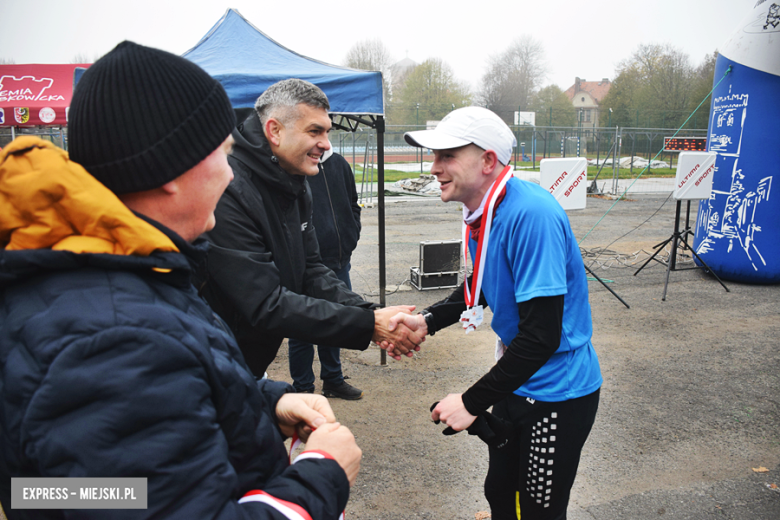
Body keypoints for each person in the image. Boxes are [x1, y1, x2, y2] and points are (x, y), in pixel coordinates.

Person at [0, 41, 360, 519]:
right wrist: (322, 473)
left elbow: (58, 490)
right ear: (174, 170)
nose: (230, 178)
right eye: (223, 156)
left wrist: (261, 402)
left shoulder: (103, 276)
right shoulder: (117, 338)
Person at [387, 107, 602, 519]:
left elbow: (542, 335)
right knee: (500, 493)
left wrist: (470, 402)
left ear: (488, 160)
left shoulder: (530, 214)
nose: (434, 168)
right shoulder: (485, 210)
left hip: (558, 392)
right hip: (518, 380)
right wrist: (428, 320)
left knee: (536, 510)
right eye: (434, 156)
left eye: (447, 155)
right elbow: (485, 281)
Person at [199, 78, 423, 379]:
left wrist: (369, 313)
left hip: (247, 366)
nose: (326, 144)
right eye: (314, 131)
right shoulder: (228, 189)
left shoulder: (294, 182)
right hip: (213, 367)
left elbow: (310, 272)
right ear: (274, 131)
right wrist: (369, 325)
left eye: (326, 131)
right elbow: (265, 303)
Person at [287, 148, 364, 399]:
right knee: (302, 328)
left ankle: (333, 379)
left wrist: (351, 234)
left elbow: (353, 203)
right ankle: (303, 388)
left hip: (339, 261)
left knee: (335, 322)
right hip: (304, 266)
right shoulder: (295, 165)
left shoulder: (339, 163)